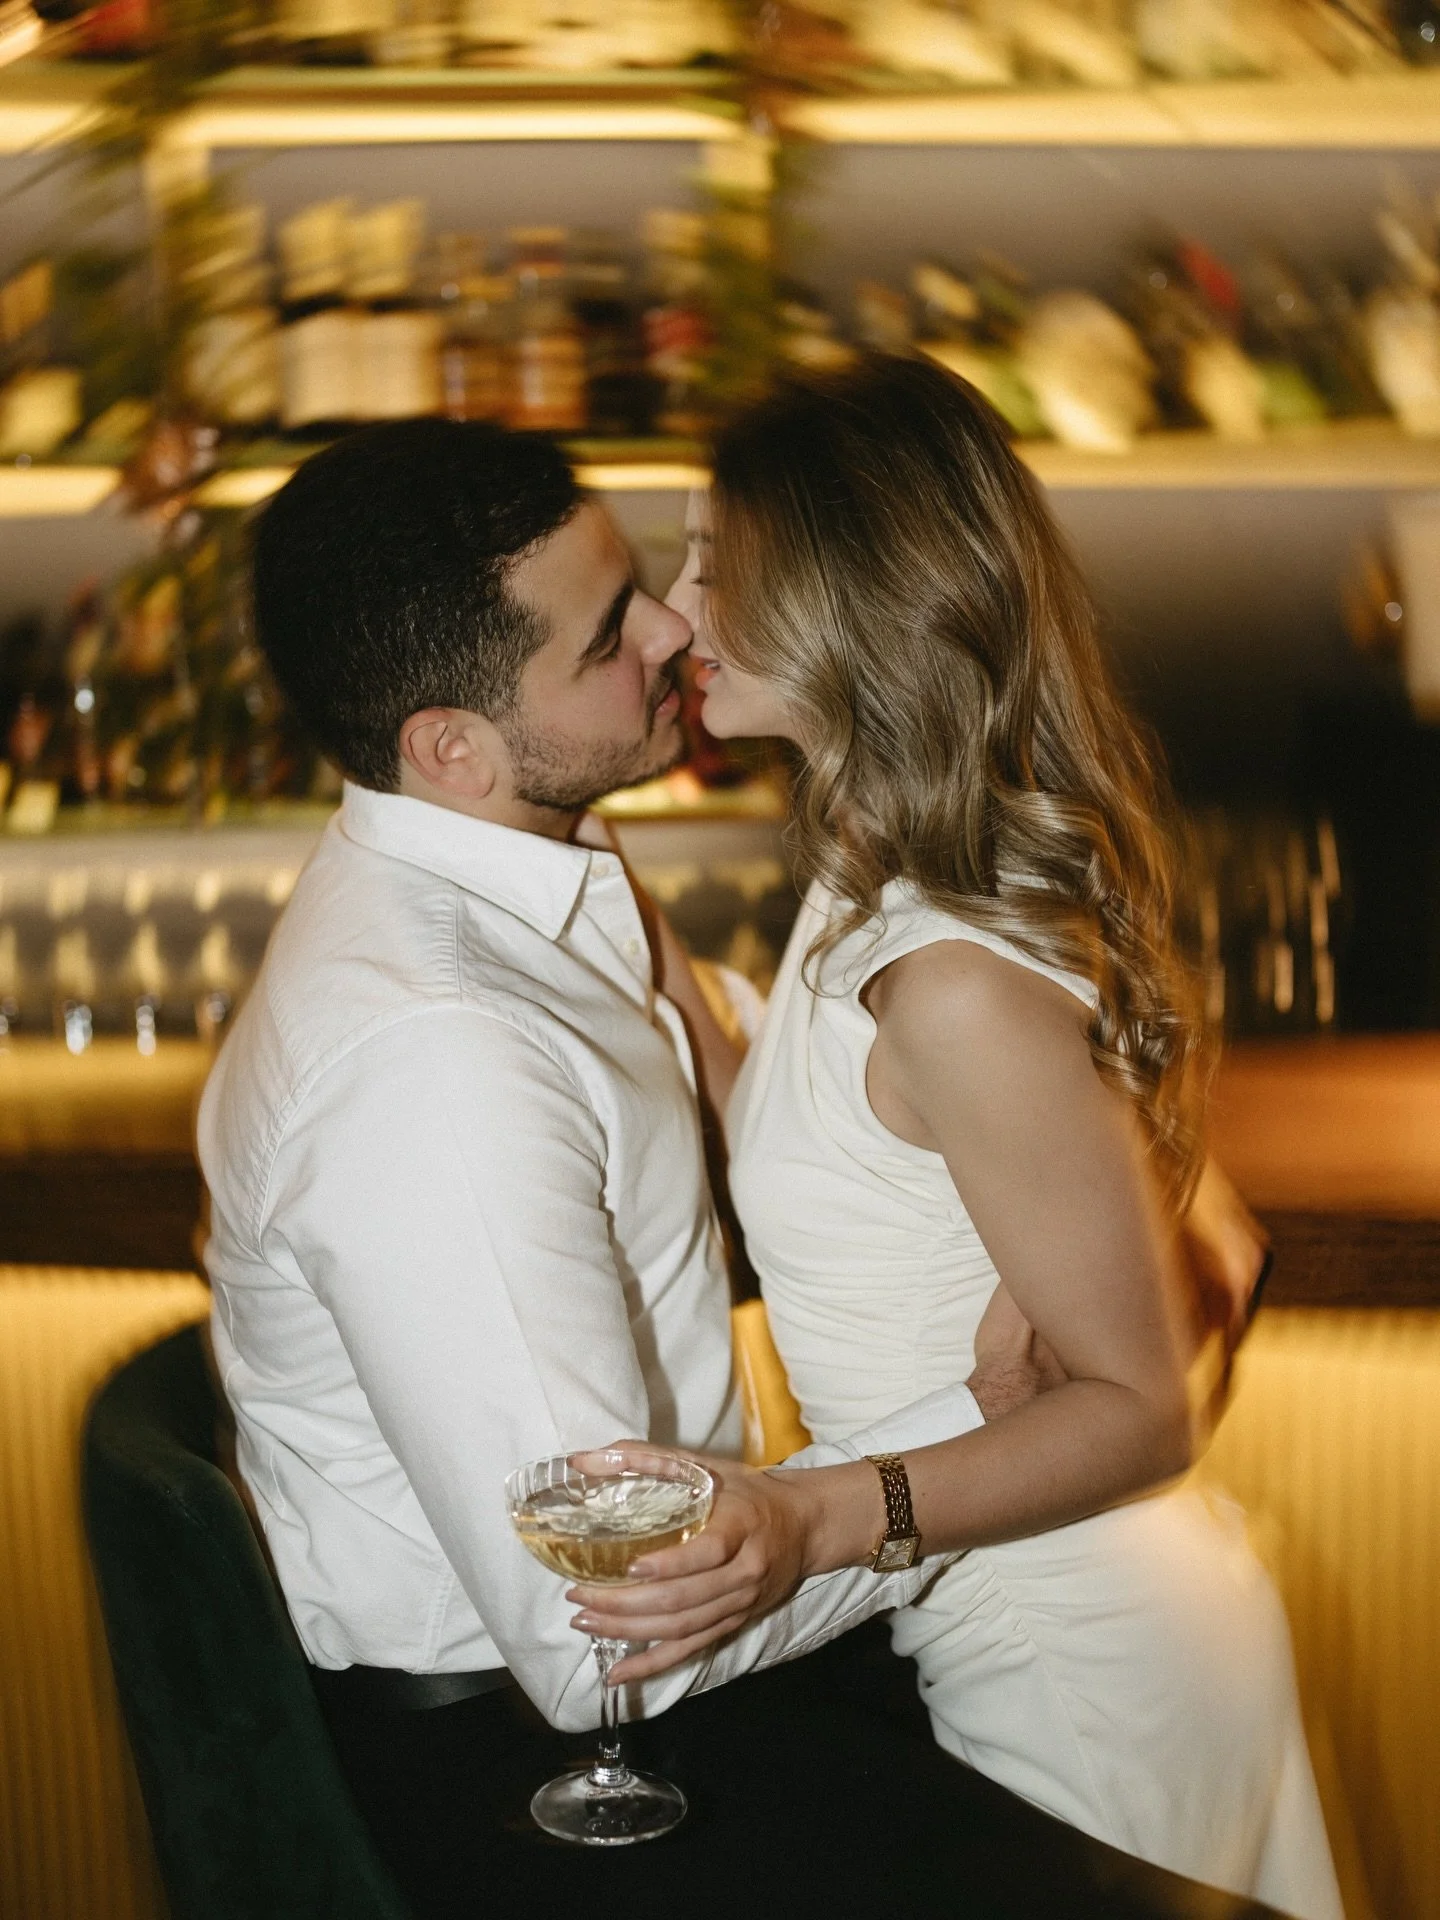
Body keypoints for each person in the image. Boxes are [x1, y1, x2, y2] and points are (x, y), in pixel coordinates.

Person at [568, 358, 1343, 1920]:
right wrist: (553, 839)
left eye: (719, 560)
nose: (678, 605)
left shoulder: (948, 976)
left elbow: (1144, 1411)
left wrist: (806, 1519)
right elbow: (816, 1139)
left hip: (1089, 1658)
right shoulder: (866, 885)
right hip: (1006, 1631)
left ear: (848, 594)